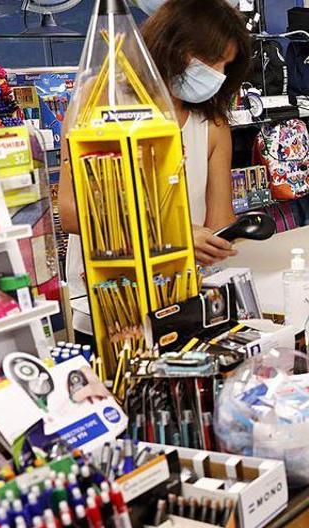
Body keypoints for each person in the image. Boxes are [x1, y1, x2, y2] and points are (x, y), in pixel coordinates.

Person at [58, 0, 251, 336]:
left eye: (225, 66)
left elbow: (220, 222)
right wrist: (175, 237)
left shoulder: (211, 124)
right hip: (110, 308)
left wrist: (218, 242)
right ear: (174, 47)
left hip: (181, 302)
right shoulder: (100, 101)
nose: (218, 76)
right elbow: (72, 213)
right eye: (210, 61)